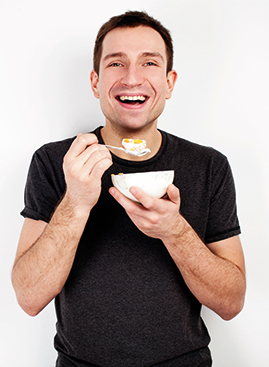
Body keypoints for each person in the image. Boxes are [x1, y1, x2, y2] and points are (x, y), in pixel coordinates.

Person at [12, 10, 246, 367]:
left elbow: (231, 303)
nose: (132, 78)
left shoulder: (209, 166)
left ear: (170, 82)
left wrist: (175, 232)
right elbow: (29, 298)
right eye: (116, 63)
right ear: (95, 82)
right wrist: (75, 205)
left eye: (149, 63)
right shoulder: (55, 161)